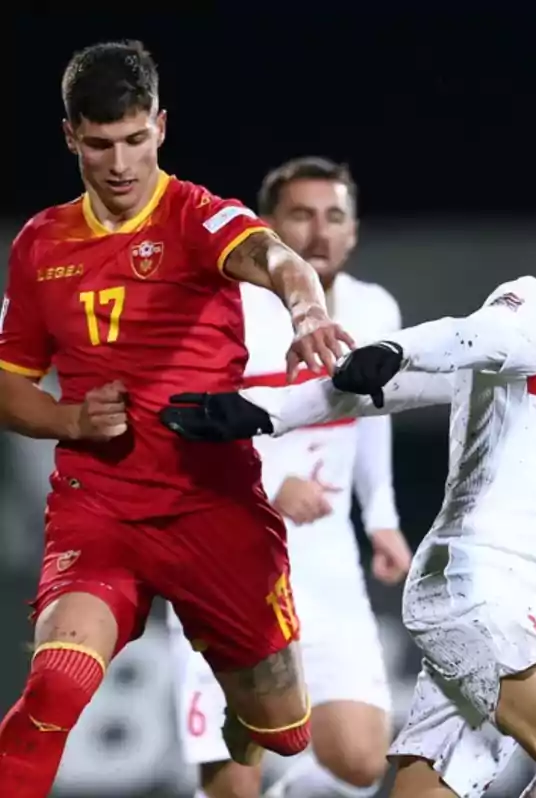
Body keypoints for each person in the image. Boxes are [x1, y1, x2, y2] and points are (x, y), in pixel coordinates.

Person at [158, 158, 536, 798]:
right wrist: (395, 348)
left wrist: (266, 410)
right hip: (486, 596)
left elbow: (394, 390)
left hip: (507, 601)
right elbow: (468, 336)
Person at [0, 41, 352, 797]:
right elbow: (9, 387)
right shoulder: (40, 246)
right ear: (71, 137)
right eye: (100, 144)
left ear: (160, 126)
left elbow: (280, 259)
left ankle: (232, 696)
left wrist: (309, 309)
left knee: (283, 730)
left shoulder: (195, 215)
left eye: (135, 139)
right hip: (101, 511)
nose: (120, 163)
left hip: (212, 508)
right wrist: (70, 421)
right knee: (54, 688)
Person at [165, 156, 433, 798]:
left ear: (354, 231)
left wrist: (384, 520)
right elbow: (180, 430)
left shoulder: (374, 308)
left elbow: (376, 418)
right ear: (266, 230)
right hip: (227, 561)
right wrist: (269, 482)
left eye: (334, 217)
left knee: (363, 761)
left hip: (327, 565)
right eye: (301, 217)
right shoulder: (226, 312)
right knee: (233, 782)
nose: (319, 232)